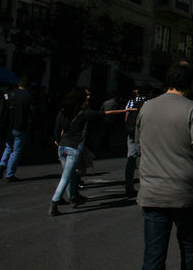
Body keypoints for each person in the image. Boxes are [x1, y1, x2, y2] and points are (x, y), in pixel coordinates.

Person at [136, 60, 193, 270]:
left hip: (152, 191)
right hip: (184, 193)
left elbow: (139, 145)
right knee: (190, 249)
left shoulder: (146, 108)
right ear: (191, 83)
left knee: (153, 254)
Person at [49, 88, 135, 216]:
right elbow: (105, 113)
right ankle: (55, 201)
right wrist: (125, 110)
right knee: (67, 176)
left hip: (62, 147)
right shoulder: (84, 114)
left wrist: (57, 140)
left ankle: (72, 196)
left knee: (69, 174)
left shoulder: (63, 112)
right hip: (74, 147)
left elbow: (57, 128)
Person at [0, 77, 34, 182]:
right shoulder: (28, 97)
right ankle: (10, 173)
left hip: (9, 125)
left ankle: (2, 164)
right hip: (20, 126)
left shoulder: (10, 94)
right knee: (16, 151)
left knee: (8, 147)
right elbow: (31, 114)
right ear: (28, 86)